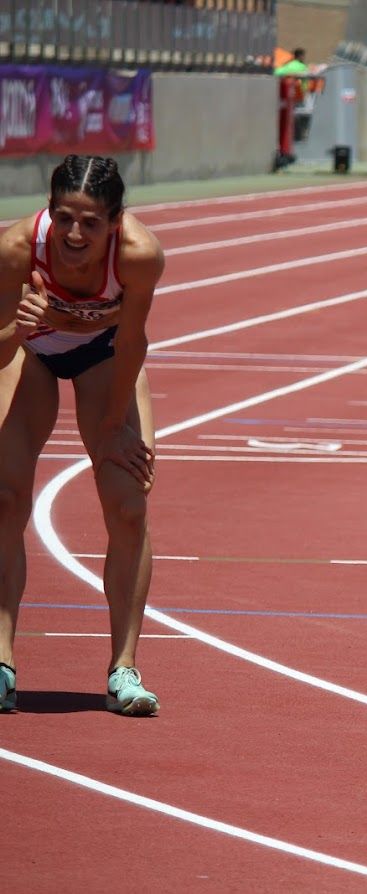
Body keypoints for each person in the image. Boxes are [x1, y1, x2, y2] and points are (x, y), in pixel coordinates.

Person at [0, 155, 165, 716]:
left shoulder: (139, 257)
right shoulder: (18, 249)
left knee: (127, 507)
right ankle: (1, 662)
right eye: (64, 217)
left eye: (91, 222)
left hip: (105, 359)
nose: (74, 234)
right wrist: (16, 329)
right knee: (5, 497)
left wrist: (113, 428)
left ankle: (124, 669)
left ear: (116, 222)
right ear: (49, 212)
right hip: (30, 353)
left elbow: (132, 343)